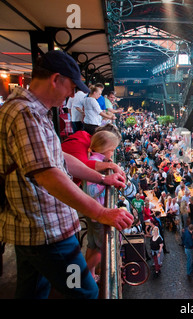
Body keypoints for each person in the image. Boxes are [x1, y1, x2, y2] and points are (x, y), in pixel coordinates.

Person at [0, 50, 133, 299]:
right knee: (85, 293)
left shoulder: (34, 112)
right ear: (56, 79)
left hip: (32, 228)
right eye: (71, 87)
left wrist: (103, 178)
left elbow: (60, 159)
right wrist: (102, 212)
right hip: (46, 230)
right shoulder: (25, 114)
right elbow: (49, 175)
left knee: (33, 291)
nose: (72, 95)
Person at [84, 130, 121, 282]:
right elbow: (91, 191)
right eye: (112, 150)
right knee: (102, 249)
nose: (113, 153)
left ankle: (89, 274)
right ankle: (88, 277)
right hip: (97, 214)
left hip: (92, 213)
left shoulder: (96, 160)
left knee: (92, 246)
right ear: (106, 149)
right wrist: (106, 181)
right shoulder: (97, 164)